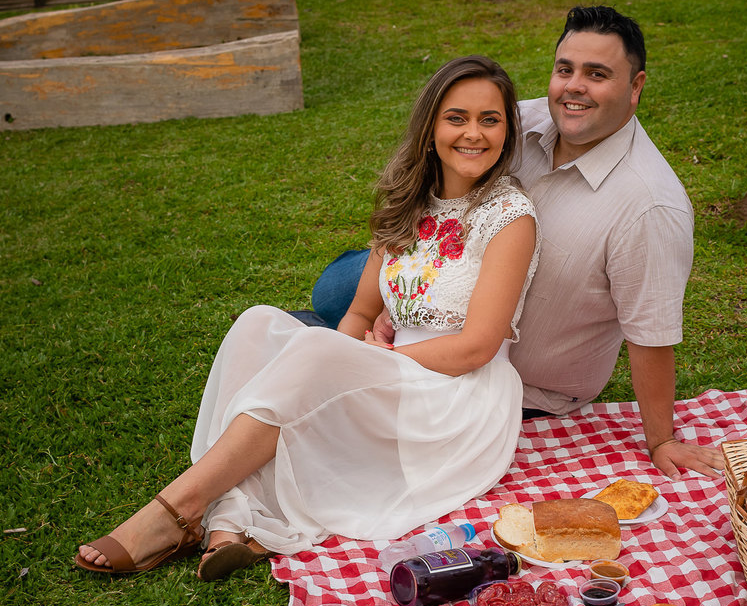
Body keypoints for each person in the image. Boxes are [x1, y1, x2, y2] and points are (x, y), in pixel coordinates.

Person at [75, 56, 540, 579]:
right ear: (430, 127)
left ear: (507, 130)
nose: (473, 133)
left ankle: (177, 509)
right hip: (389, 369)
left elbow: (477, 347)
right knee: (257, 323)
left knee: (316, 352)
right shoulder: (408, 206)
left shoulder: (509, 218)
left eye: (490, 119)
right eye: (457, 118)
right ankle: (228, 522)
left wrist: (365, 359)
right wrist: (352, 359)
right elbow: (362, 309)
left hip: (456, 397)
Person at [295, 6, 723, 481]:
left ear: (636, 86)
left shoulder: (650, 206)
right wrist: (397, 290)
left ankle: (354, 331)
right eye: (566, 69)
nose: (574, 87)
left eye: (597, 74)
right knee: (335, 291)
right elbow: (443, 162)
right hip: (448, 279)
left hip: (512, 370)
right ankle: (377, 316)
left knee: (327, 320)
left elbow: (652, 334)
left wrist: (660, 439)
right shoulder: (517, 121)